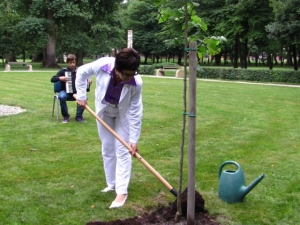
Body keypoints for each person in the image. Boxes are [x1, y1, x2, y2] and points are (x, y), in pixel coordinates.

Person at [75, 48, 142, 209]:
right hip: (103, 112)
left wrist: (133, 140)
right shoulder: (103, 65)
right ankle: (111, 184)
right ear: (116, 69)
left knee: (123, 150)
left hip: (122, 115)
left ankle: (122, 191)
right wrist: (82, 96)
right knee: (107, 147)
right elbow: (82, 72)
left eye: (132, 74)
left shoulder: (136, 83)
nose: (129, 78)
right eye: (125, 75)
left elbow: (135, 112)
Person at [50, 54, 92, 123]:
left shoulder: (79, 71)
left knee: (84, 97)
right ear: (68, 63)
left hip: (76, 92)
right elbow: (52, 79)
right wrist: (60, 78)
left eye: (73, 62)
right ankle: (66, 116)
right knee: (61, 96)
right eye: (70, 63)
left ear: (75, 62)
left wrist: (88, 83)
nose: (72, 64)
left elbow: (85, 88)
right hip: (65, 91)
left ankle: (78, 116)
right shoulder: (63, 71)